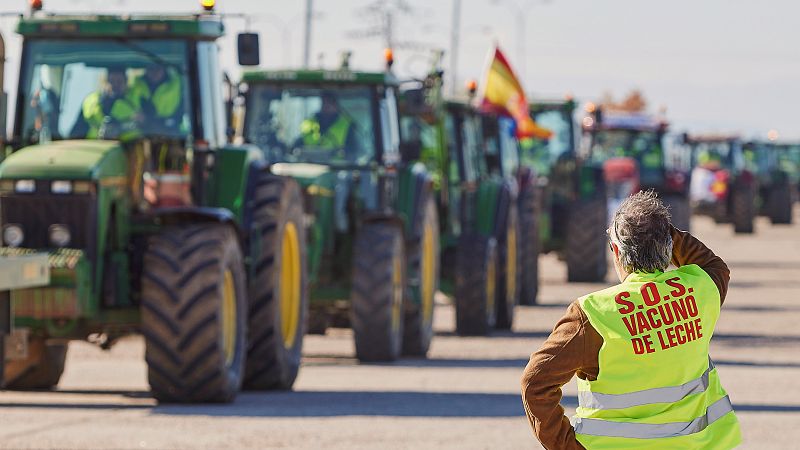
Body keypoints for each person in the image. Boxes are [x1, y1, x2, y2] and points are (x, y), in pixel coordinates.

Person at [521, 190, 741, 450]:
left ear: (616, 250)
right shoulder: (701, 289)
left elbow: (535, 383)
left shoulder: (592, 314)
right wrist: (661, 232)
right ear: (668, 246)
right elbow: (714, 265)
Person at [73, 66, 142, 140]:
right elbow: (75, 134)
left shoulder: (138, 101)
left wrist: (142, 119)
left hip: (130, 149)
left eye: (119, 82)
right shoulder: (92, 102)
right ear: (105, 82)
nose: (115, 85)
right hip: (96, 148)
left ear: (126, 82)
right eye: (111, 81)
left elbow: (151, 127)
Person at [131, 64, 183, 133]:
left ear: (164, 69)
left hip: (172, 135)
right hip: (141, 134)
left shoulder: (176, 84)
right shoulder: (136, 87)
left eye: (158, 68)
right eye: (151, 68)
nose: (154, 72)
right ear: (146, 70)